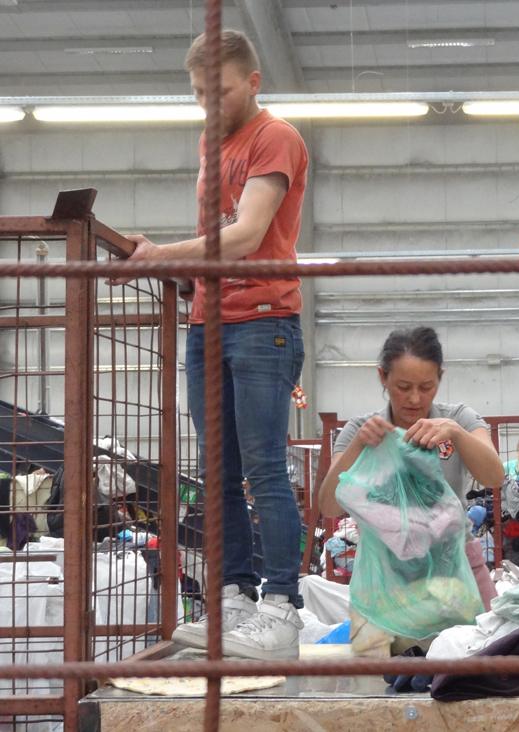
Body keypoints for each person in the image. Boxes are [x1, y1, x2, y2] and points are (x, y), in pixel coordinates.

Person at [110, 30, 309, 660]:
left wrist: (160, 256)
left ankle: (282, 607)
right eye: (197, 93)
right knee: (217, 473)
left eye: (218, 90)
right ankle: (232, 599)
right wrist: (174, 266)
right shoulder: (210, 141)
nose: (208, 104)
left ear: (252, 83)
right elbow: (213, 239)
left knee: (264, 469)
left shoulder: (276, 137)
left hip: (263, 319)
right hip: (208, 322)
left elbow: (247, 234)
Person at [319, 326, 505, 518]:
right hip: (382, 549)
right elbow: (329, 508)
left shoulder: (458, 418)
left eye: (426, 387)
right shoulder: (360, 431)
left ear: (440, 378)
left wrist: (456, 433)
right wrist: (358, 446)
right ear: (383, 376)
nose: (415, 399)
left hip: (447, 546)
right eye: (403, 387)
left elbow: (494, 477)